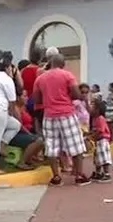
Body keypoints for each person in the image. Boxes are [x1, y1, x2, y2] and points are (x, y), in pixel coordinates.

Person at [31, 53, 91, 186]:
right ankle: (79, 176)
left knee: (51, 147)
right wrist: (80, 97)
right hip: (66, 114)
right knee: (76, 145)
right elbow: (76, 94)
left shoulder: (40, 78)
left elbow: (37, 99)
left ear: (50, 63)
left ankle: (56, 177)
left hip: (49, 116)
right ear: (63, 64)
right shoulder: (67, 75)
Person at [89, 100, 113, 182]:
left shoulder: (100, 118)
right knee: (97, 158)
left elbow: (100, 130)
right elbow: (94, 130)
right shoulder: (94, 119)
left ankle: (107, 174)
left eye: (93, 107)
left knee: (103, 157)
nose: (91, 109)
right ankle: (98, 173)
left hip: (103, 140)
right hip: (97, 141)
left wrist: (92, 136)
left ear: (98, 110)